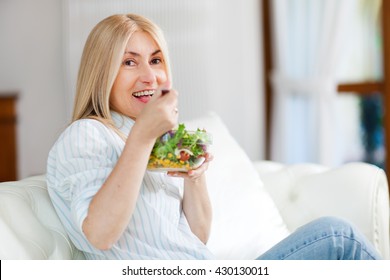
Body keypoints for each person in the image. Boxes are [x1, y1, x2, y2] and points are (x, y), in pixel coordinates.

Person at [46, 13, 381, 260]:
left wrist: (195, 177)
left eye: (156, 60)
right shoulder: (87, 134)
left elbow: (197, 237)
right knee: (338, 238)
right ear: (101, 73)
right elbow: (100, 233)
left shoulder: (156, 140)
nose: (149, 76)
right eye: (129, 63)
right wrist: (142, 139)